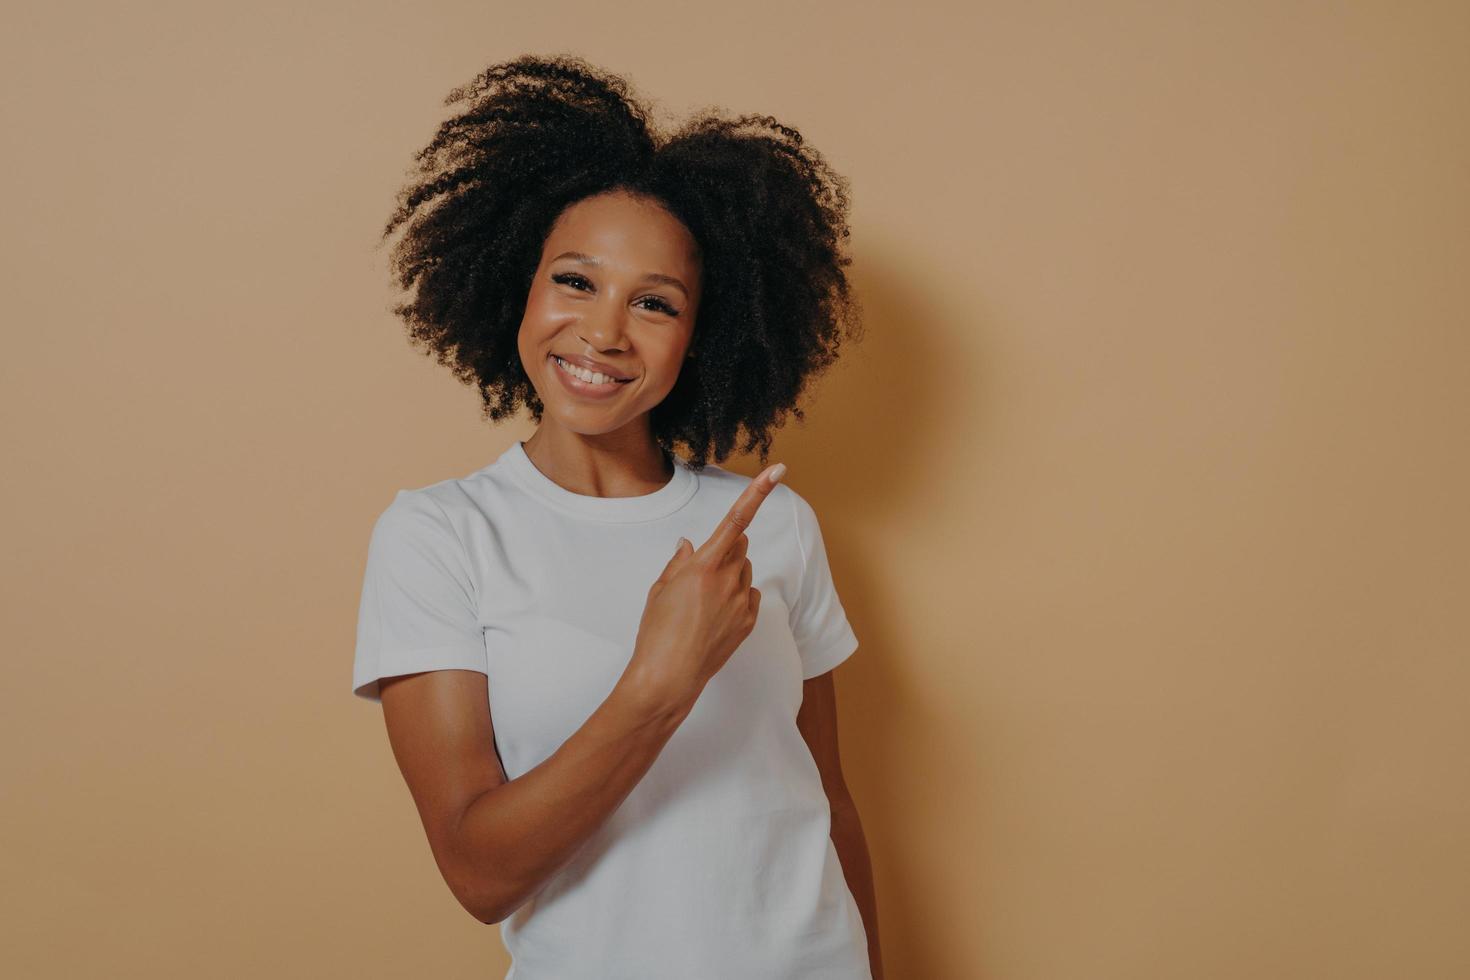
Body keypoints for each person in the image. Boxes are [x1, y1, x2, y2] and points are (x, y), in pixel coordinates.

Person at [351, 54, 882, 979]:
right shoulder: (441, 537)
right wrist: (662, 676)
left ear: (702, 336)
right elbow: (478, 873)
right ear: (518, 287)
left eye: (654, 303)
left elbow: (828, 803)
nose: (603, 332)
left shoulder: (773, 524)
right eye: (575, 281)